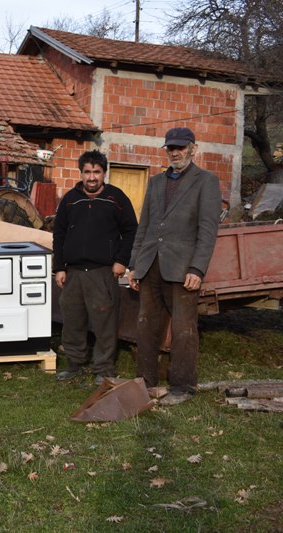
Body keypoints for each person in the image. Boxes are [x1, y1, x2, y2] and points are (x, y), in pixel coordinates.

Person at [127, 127, 222, 405]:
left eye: (180, 147)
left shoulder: (206, 181)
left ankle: (183, 386)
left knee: (183, 329)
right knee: (145, 326)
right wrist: (134, 265)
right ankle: (145, 382)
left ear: (193, 148)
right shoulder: (156, 182)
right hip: (150, 265)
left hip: (183, 269)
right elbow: (144, 226)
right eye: (171, 148)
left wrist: (197, 268)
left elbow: (208, 230)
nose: (175, 152)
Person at [53, 150, 138, 385]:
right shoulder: (70, 199)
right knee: (73, 321)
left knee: (104, 323)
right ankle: (74, 364)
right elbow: (59, 233)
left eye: (97, 172)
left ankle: (104, 368)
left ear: (104, 173)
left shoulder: (116, 198)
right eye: (87, 172)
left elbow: (131, 230)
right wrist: (59, 267)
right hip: (73, 273)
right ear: (81, 173)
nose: (92, 177)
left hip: (103, 272)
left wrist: (122, 260)